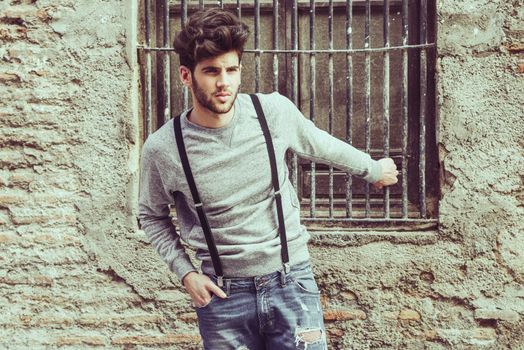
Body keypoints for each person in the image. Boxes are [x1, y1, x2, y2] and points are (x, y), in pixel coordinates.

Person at [137, 8, 399, 350]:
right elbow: (151, 215)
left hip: (291, 284)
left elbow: (320, 144)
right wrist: (186, 274)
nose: (224, 83)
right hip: (223, 296)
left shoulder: (270, 113)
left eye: (232, 70)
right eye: (211, 72)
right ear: (186, 76)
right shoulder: (164, 148)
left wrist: (373, 169)